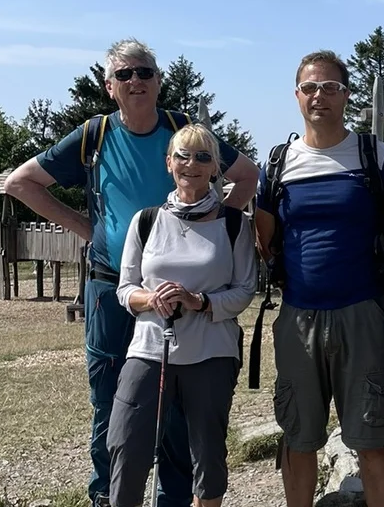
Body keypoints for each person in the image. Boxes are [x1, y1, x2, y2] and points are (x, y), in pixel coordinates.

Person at [5, 39, 258, 507]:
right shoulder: (93, 135)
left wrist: (216, 227)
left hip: (185, 300)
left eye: (144, 72)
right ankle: (107, 497)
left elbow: (247, 175)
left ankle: (174, 499)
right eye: (125, 75)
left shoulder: (186, 135)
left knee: (178, 409)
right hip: (110, 289)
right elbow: (20, 183)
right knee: (111, 407)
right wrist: (89, 229)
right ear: (110, 86)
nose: (136, 81)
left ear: (159, 81)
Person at [253, 51, 384, 507]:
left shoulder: (375, 156)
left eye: (330, 87)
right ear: (297, 96)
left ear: (346, 94)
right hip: (299, 316)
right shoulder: (278, 162)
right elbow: (265, 234)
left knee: (372, 438)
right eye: (310, 88)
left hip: (363, 314)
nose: (320, 96)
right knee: (299, 437)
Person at [109, 123, 258, 507]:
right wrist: (151, 299)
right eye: (183, 155)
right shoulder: (146, 221)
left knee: (207, 451)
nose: (191, 164)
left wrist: (200, 301)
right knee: (126, 439)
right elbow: (125, 289)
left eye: (203, 157)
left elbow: (244, 290)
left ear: (214, 169)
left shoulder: (234, 224)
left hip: (212, 351)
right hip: (149, 347)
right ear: (169, 163)